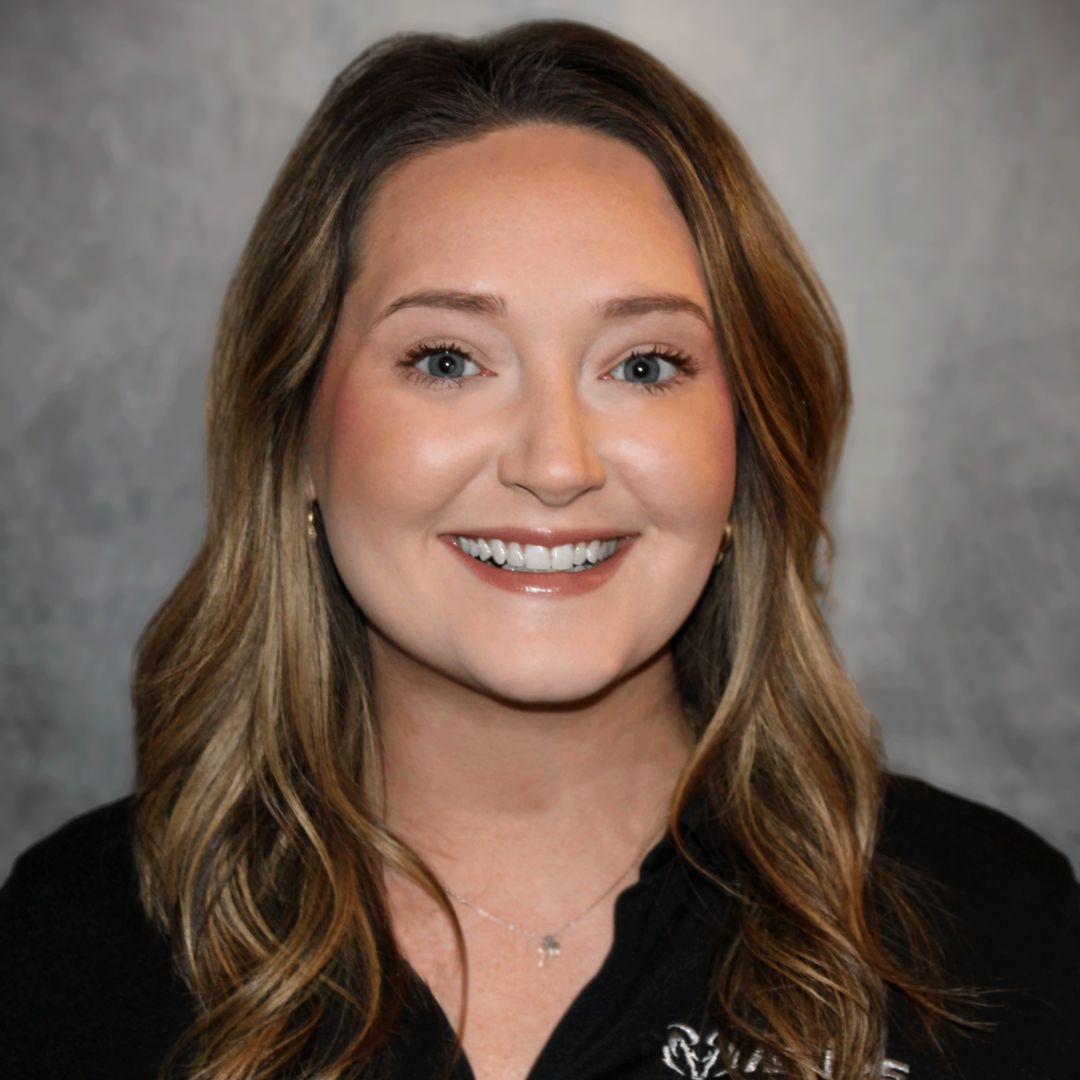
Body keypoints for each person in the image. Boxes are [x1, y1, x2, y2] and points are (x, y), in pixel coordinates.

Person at [1, 17, 1076, 1080]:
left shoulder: (1002, 934)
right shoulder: (67, 949)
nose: (555, 465)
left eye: (645, 366)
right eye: (448, 360)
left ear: (747, 452)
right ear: (296, 436)